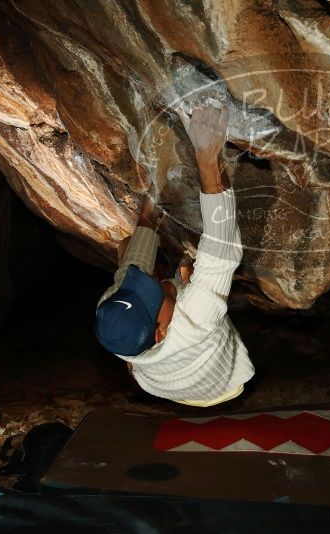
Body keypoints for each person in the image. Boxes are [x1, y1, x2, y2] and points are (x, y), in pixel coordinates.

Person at [93, 103, 254, 407]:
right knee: (191, 281)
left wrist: (150, 216)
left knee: (128, 248)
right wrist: (207, 157)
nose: (159, 286)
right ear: (161, 332)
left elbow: (132, 267)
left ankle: (174, 284)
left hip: (153, 379)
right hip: (223, 380)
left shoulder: (110, 311)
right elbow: (221, 248)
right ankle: (185, 279)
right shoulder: (195, 320)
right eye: (158, 296)